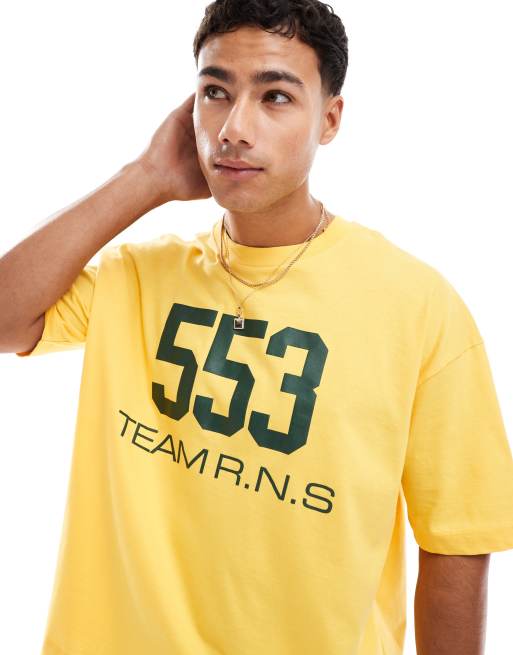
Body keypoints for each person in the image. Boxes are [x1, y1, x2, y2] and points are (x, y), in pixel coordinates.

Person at [1, 1, 512, 654]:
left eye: (275, 97)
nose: (234, 129)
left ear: (329, 119)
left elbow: (456, 542)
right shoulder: (136, 278)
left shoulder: (418, 307)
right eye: (215, 93)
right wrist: (145, 178)